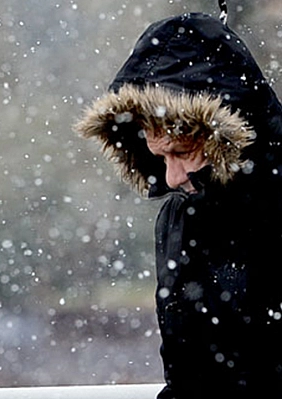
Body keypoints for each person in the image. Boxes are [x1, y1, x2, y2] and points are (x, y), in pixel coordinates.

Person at [74, 11, 282, 398]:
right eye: (160, 157)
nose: (171, 178)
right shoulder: (182, 217)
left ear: (224, 131)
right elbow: (189, 378)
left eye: (182, 152)